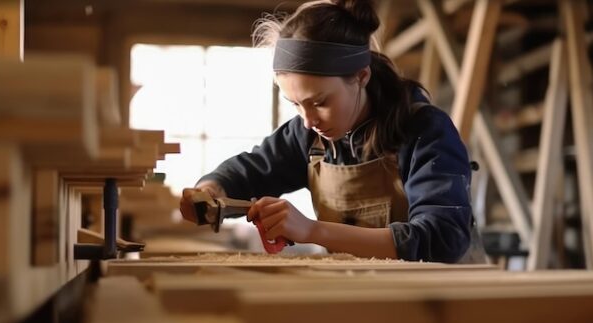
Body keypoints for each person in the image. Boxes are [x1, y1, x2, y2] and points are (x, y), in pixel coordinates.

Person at [180, 0, 486, 263]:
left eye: (320, 102)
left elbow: (442, 238)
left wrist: (312, 230)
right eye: (296, 105)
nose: (308, 120)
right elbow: (249, 173)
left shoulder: (424, 130)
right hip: (362, 297)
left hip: (443, 304)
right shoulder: (309, 136)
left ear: (361, 76)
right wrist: (211, 191)